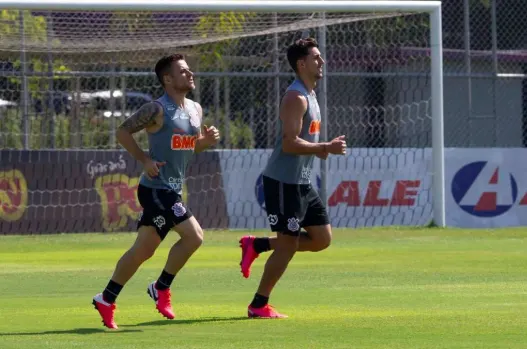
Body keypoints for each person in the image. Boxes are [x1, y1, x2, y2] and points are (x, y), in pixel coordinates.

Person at [92, 54, 220, 329]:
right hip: (156, 189)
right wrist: (145, 159)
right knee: (195, 236)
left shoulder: (196, 109)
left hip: (171, 189)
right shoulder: (156, 109)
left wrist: (204, 142)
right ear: (167, 79)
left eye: (189, 70)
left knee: (143, 250)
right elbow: (123, 132)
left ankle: (106, 298)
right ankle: (161, 287)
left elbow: (189, 146)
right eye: (183, 71)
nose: (190, 74)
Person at [238, 38, 347, 318]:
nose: (321, 62)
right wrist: (324, 148)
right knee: (287, 246)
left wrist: (319, 150)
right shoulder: (295, 97)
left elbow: (302, 141)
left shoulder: (310, 95)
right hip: (284, 182)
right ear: (302, 63)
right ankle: (258, 305)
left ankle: (258, 244)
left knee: (322, 239)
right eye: (316, 57)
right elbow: (288, 143)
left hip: (302, 181)